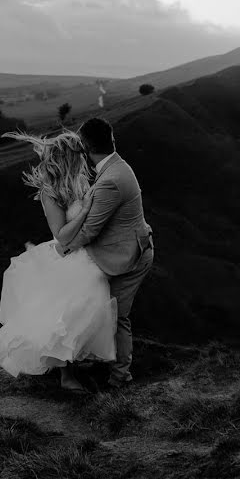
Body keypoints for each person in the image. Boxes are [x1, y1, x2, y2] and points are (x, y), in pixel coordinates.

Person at [0, 130, 117, 392]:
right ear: (68, 158)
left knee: (93, 305)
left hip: (88, 250)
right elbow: (61, 236)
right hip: (67, 253)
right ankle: (66, 376)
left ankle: (84, 359)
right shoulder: (50, 193)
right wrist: (88, 211)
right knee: (68, 311)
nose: (85, 159)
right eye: (79, 155)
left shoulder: (82, 183)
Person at [59, 118, 154, 389]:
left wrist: (61, 249)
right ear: (111, 139)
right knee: (95, 308)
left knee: (117, 315)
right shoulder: (116, 166)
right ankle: (96, 361)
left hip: (129, 257)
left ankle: (120, 377)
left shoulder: (111, 180)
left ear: (87, 147)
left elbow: (89, 231)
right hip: (123, 249)